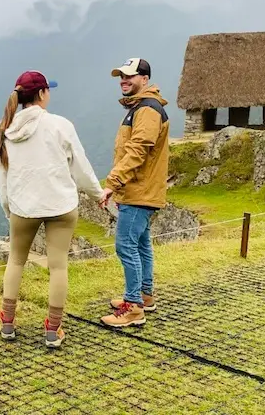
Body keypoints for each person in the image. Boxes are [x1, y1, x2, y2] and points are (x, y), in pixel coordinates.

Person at [0, 70, 105, 347]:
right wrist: (97, 193)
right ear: (42, 93)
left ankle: (7, 323)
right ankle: (53, 330)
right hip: (61, 205)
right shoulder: (60, 125)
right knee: (58, 266)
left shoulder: (4, 129)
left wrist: (9, 208)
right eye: (48, 90)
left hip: (23, 207)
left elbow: (2, 178)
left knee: (16, 261)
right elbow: (80, 166)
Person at [99, 58, 170, 328]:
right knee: (141, 244)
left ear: (145, 78)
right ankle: (144, 295)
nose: (124, 81)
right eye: (121, 76)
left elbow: (138, 149)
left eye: (130, 76)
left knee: (126, 246)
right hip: (141, 189)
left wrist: (112, 182)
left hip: (139, 190)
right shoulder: (140, 107)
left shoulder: (148, 109)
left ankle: (133, 308)